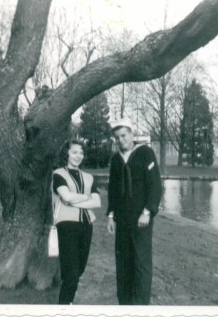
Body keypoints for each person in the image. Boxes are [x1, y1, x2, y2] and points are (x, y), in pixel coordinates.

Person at [106, 118, 162, 305]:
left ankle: (140, 306)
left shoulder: (145, 153)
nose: (121, 140)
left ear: (131, 134)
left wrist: (148, 211)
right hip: (122, 219)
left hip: (141, 218)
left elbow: (155, 185)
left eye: (124, 135)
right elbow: (113, 189)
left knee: (141, 264)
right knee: (123, 263)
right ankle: (125, 305)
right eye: (117, 137)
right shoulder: (115, 160)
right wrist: (111, 215)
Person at [52, 139, 101, 305]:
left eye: (81, 152)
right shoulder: (59, 174)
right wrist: (87, 197)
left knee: (80, 269)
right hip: (66, 226)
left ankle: (68, 303)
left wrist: (77, 200)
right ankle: (64, 307)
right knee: (71, 274)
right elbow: (65, 197)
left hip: (86, 226)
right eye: (74, 152)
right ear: (67, 153)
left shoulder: (89, 177)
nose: (78, 156)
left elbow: (97, 202)